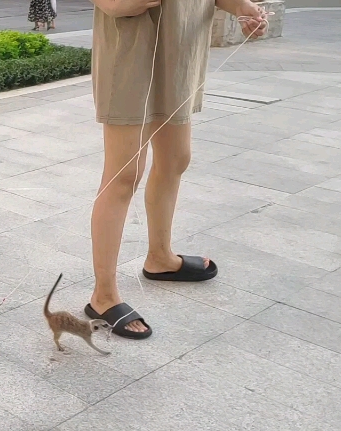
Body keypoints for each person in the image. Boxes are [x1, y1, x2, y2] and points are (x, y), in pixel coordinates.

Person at [85, 0, 267, 338]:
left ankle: (160, 257)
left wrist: (244, 8)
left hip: (179, 54)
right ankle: (103, 295)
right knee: (123, 175)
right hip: (130, 57)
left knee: (175, 158)